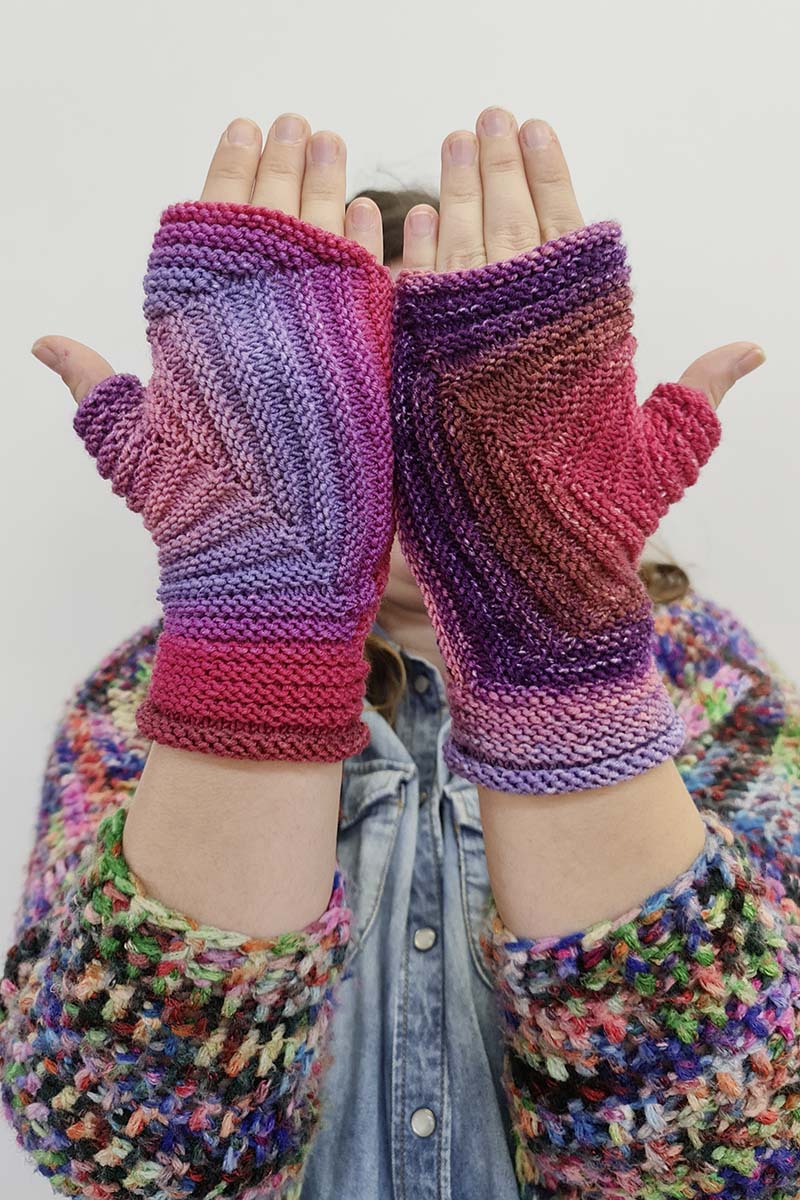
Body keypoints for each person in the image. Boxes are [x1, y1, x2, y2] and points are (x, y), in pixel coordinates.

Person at [1, 107, 796, 1200]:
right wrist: (258, 641)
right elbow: (131, 1161)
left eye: (444, 422)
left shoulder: (712, 686)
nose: (404, 468)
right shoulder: (137, 700)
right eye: (362, 420)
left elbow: (737, 1155)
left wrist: (554, 642)